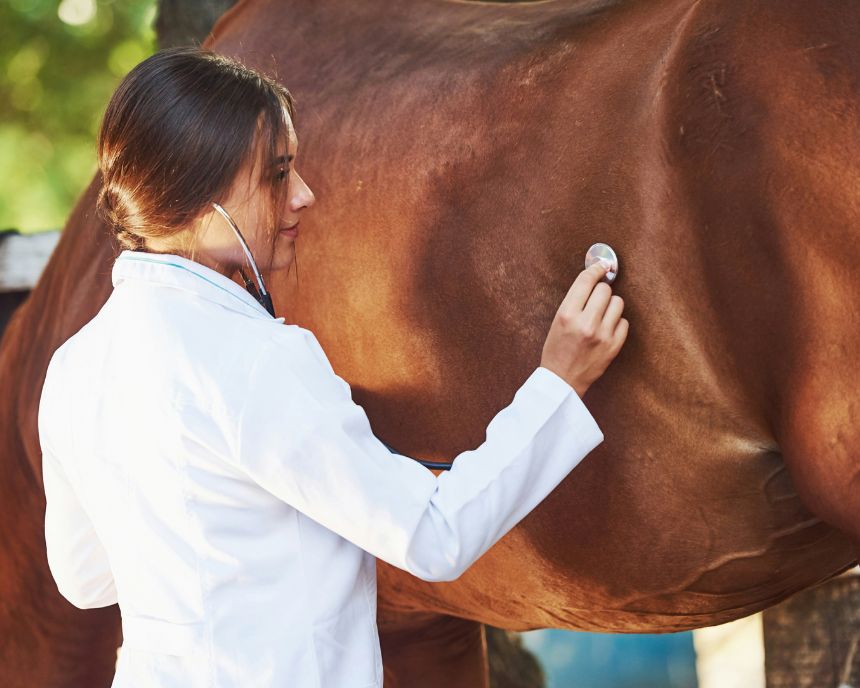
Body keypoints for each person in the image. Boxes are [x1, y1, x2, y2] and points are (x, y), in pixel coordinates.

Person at [37, 47, 628, 688]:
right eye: (277, 173)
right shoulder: (259, 361)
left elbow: (85, 578)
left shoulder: (72, 368)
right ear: (201, 197)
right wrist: (560, 383)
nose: (304, 195)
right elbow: (434, 535)